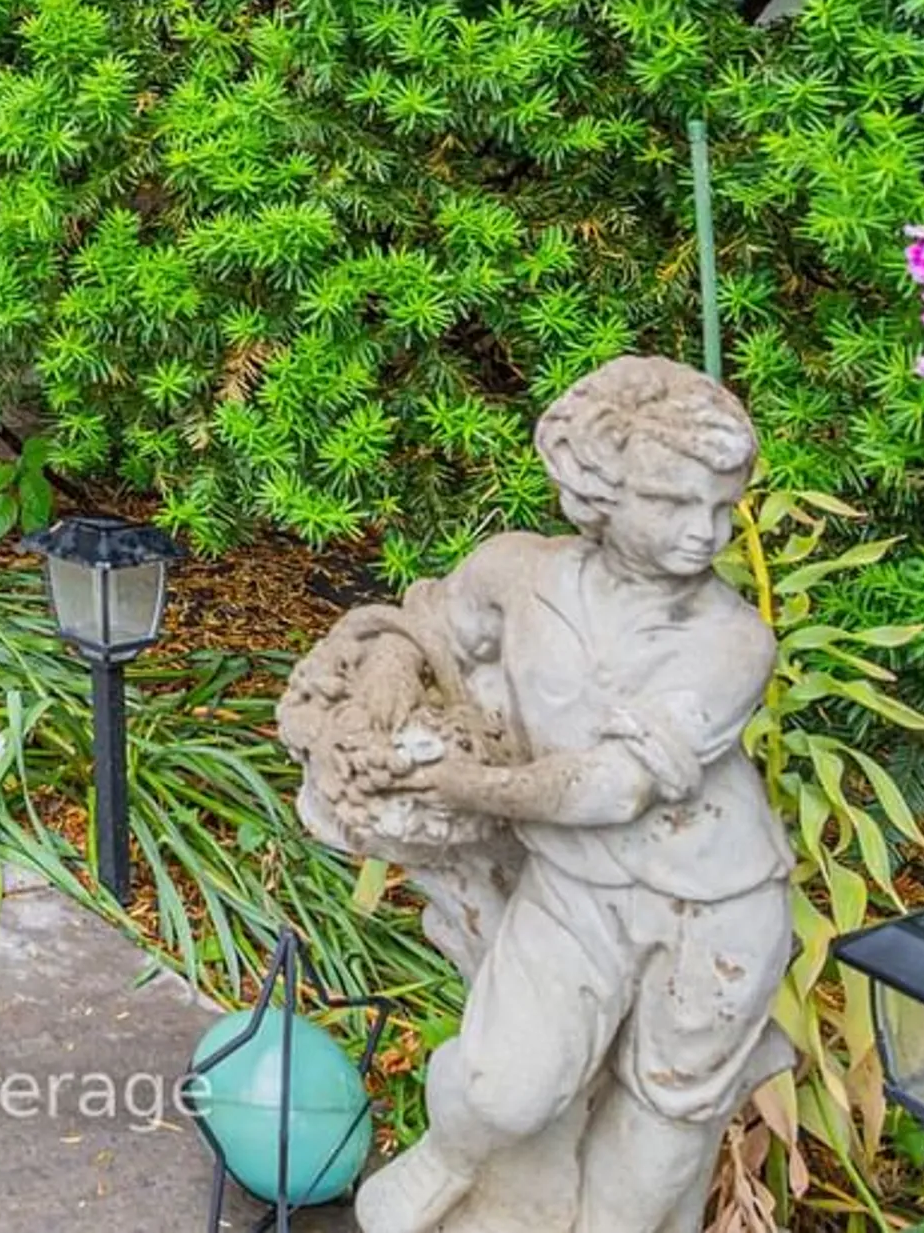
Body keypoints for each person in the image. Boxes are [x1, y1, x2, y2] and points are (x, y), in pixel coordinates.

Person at [344, 356, 795, 1233]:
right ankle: (452, 1158)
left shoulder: (732, 640)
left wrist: (460, 785)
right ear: (597, 488)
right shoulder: (523, 573)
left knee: (661, 1126)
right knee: (502, 1085)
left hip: (711, 906)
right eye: (671, 502)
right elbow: (429, 620)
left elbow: (608, 786)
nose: (703, 531)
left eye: (721, 506)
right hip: (573, 883)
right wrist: (391, 673)